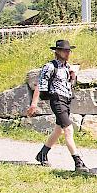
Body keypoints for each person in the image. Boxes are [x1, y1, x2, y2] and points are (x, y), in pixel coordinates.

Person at [27, 40, 89, 173]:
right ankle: (78, 161)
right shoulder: (50, 66)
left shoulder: (67, 67)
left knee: (58, 130)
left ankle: (42, 154)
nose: (68, 53)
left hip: (66, 100)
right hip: (57, 100)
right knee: (68, 129)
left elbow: (67, 85)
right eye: (65, 50)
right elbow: (40, 85)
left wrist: (72, 78)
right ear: (57, 52)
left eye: (69, 50)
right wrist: (34, 104)